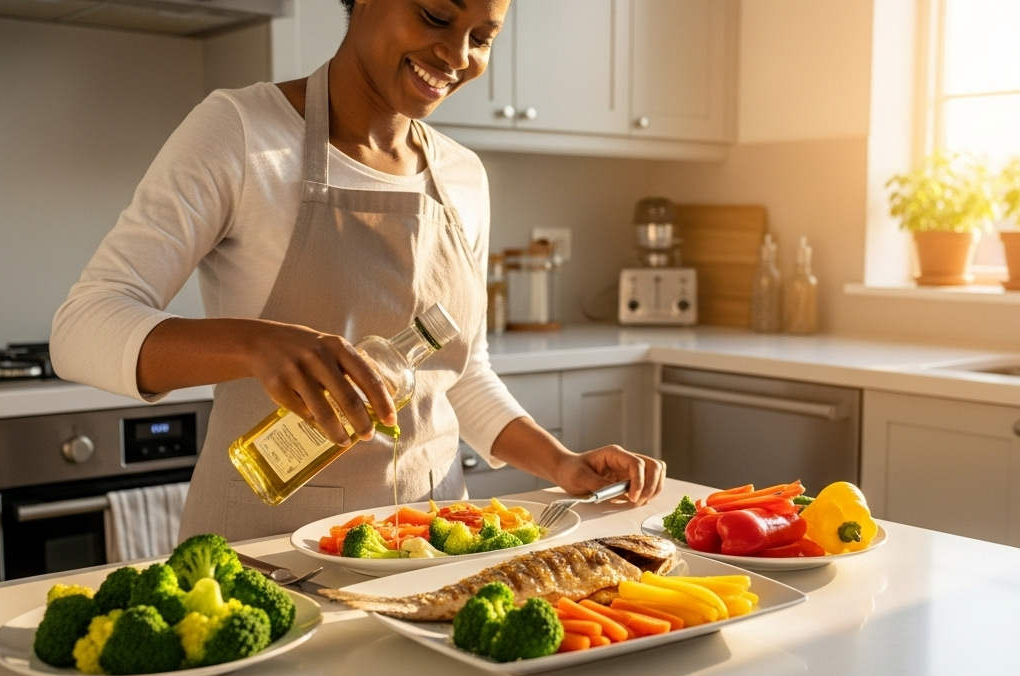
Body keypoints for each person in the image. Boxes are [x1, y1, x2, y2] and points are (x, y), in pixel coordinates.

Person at [51, 0, 665, 541]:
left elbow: (460, 372)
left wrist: (559, 462)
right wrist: (257, 343)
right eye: (435, 17)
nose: (456, 55)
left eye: (482, 38)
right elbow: (81, 329)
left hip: (432, 543)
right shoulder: (241, 132)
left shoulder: (463, 176)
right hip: (267, 554)